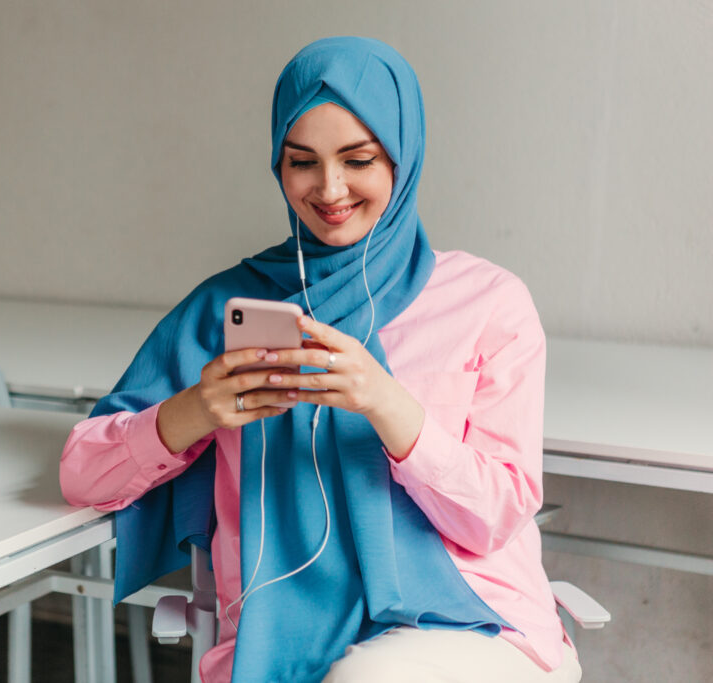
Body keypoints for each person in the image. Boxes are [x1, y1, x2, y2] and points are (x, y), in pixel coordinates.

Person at [60, 36, 581, 683]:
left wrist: (388, 405)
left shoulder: (487, 302)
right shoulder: (225, 307)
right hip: (272, 636)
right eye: (301, 161)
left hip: (465, 627)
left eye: (357, 159)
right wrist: (194, 411)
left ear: (402, 154)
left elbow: (498, 514)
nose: (330, 188)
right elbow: (82, 471)